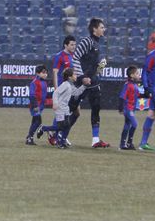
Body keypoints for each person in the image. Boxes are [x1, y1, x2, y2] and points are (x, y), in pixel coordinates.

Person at [72, 18, 110, 148]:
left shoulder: (97, 44)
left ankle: (95, 139)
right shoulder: (86, 41)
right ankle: (57, 134)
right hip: (82, 82)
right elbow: (75, 57)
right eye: (101, 27)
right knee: (71, 109)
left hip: (93, 82)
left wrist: (100, 67)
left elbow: (93, 65)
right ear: (94, 29)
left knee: (96, 108)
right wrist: (82, 77)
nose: (103, 29)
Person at [47, 67, 88, 149]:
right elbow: (55, 93)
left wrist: (84, 85)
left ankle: (60, 138)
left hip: (66, 107)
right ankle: (47, 130)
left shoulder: (71, 84)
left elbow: (77, 92)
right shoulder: (65, 84)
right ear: (70, 77)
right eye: (75, 74)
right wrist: (55, 103)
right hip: (62, 107)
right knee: (62, 125)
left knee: (66, 124)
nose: (76, 75)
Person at [118, 65, 143, 150]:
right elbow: (122, 97)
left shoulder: (134, 85)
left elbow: (137, 95)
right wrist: (121, 108)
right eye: (137, 73)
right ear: (131, 75)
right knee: (135, 124)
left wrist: (147, 95)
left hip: (132, 108)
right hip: (127, 108)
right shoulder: (128, 85)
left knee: (127, 125)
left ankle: (122, 144)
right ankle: (129, 143)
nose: (139, 75)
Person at [25, 64, 48, 145]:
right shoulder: (34, 82)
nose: (45, 74)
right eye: (43, 72)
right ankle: (30, 138)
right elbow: (32, 95)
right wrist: (35, 106)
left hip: (40, 106)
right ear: (38, 73)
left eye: (46, 72)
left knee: (35, 122)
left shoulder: (44, 82)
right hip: (35, 106)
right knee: (38, 122)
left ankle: (29, 137)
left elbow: (45, 94)